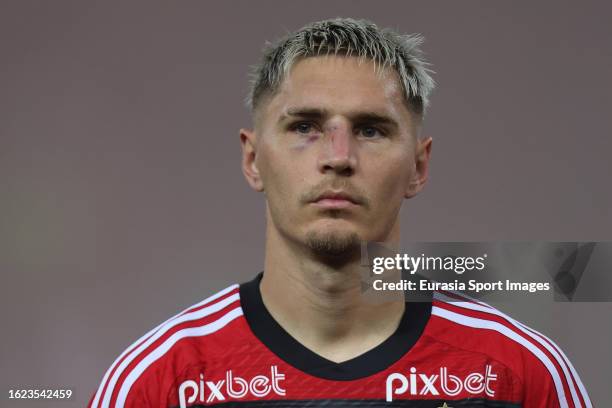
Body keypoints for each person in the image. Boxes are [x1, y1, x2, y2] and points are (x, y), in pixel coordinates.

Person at [88, 18, 591, 408]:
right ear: (252, 159)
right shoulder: (161, 380)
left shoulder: (520, 373)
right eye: (305, 126)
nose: (338, 156)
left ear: (418, 166)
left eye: (371, 130)